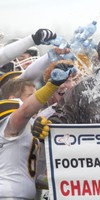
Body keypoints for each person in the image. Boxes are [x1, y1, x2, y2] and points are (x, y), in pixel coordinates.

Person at [0, 62, 75, 199]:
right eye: (31, 96)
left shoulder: (29, 123)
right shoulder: (10, 122)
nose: (37, 98)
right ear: (14, 99)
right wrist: (51, 85)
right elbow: (25, 111)